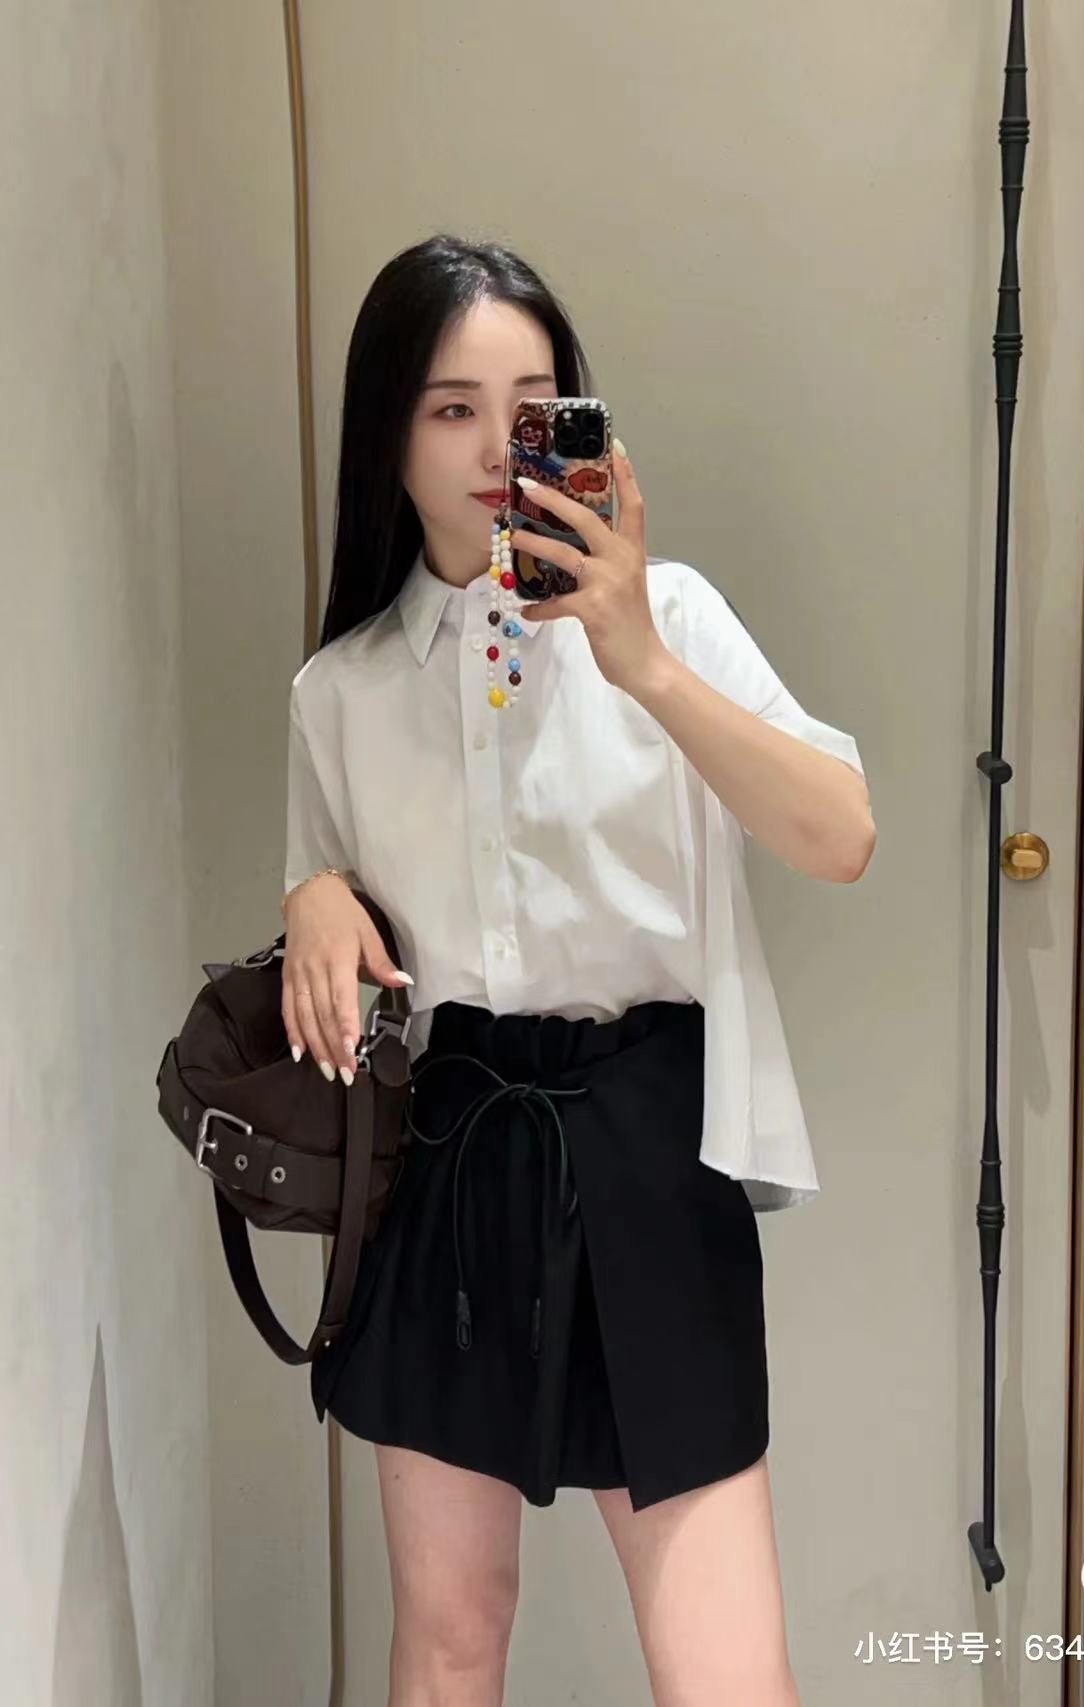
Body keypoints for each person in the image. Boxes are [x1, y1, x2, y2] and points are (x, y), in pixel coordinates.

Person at [280, 233, 875, 1707]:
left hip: (646, 1147)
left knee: (728, 1677)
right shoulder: (341, 691)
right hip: (448, 1152)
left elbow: (842, 836)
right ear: (389, 434)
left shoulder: (676, 619)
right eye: (453, 408)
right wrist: (311, 898)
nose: (499, 448)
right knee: (448, 1642)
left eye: (532, 407)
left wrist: (643, 660)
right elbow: (335, 901)